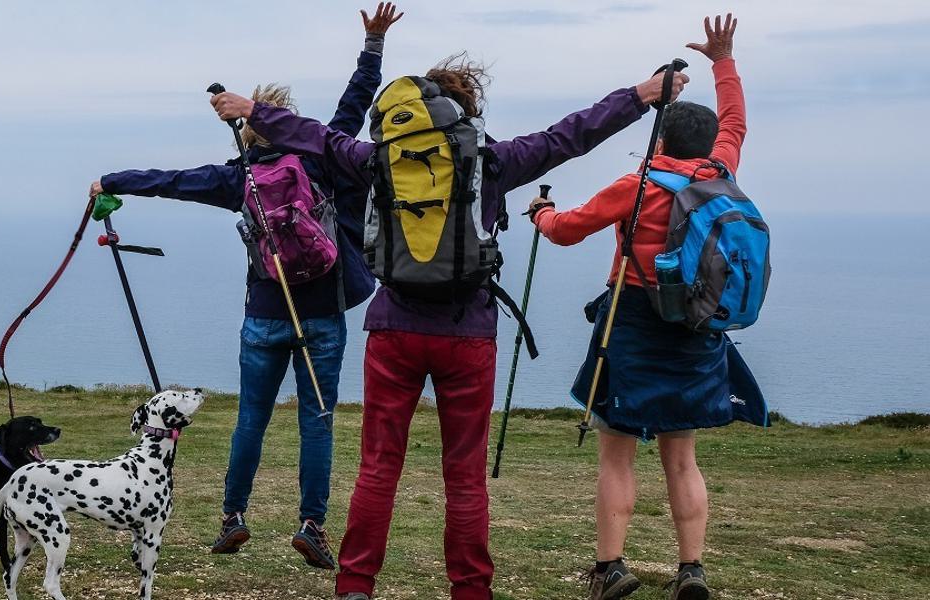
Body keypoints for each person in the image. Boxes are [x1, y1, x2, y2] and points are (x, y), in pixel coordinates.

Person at [210, 23, 688, 600]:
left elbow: (315, 137)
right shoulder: (493, 161)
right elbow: (571, 135)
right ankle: (470, 590)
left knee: (379, 468)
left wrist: (255, 109)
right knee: (464, 476)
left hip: (392, 329)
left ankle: (356, 586)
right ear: (463, 113)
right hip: (468, 333)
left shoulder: (376, 160)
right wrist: (640, 95)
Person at [87, 3, 402, 570]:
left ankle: (233, 517)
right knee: (318, 420)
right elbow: (354, 104)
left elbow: (172, 181)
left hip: (263, 314)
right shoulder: (322, 157)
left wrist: (113, 180)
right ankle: (311, 526)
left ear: (248, 129)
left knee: (251, 419)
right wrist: (373, 43)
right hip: (323, 314)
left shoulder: (239, 176)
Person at [528, 14, 762, 600]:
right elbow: (735, 120)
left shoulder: (636, 186)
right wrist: (723, 61)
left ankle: (611, 568)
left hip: (630, 322)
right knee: (681, 458)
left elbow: (566, 230)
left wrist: (538, 215)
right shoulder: (722, 171)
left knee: (617, 454)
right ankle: (691, 570)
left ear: (660, 139)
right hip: (697, 327)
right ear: (709, 144)